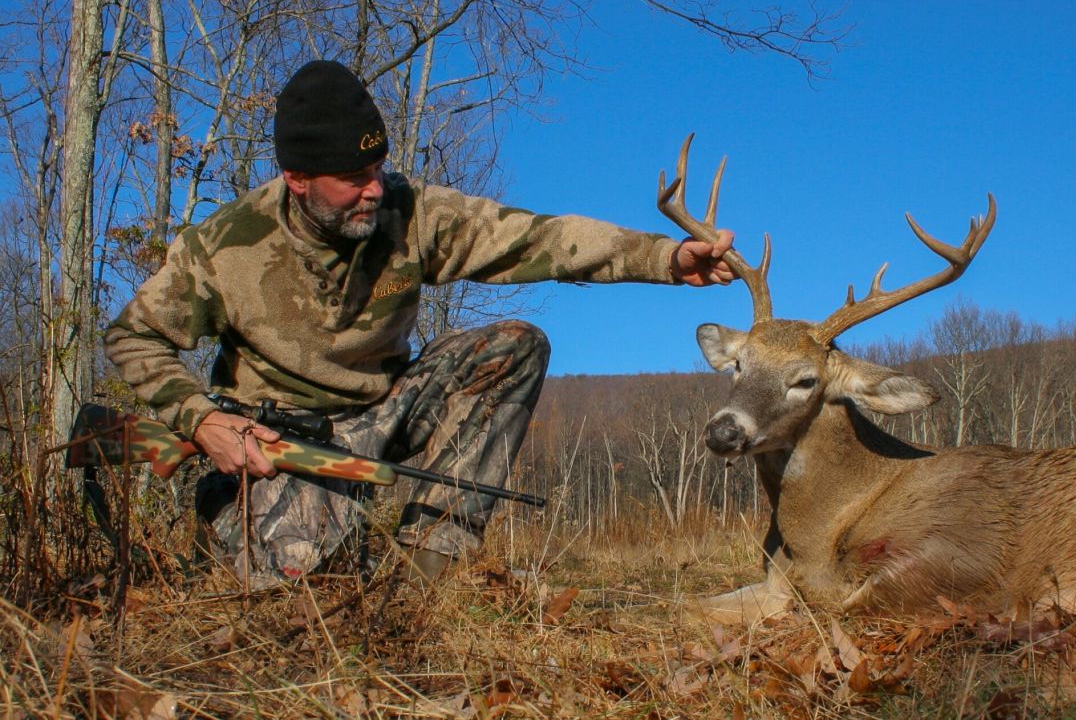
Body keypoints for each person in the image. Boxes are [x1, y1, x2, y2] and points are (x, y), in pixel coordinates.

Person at [103, 60, 733, 587]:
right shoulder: (221, 246)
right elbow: (133, 335)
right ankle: (270, 543)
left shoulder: (411, 211)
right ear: (296, 179)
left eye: (377, 169)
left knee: (514, 346)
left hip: (388, 408)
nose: (374, 190)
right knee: (297, 587)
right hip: (280, 442)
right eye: (352, 179)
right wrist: (204, 421)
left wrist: (667, 258)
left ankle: (430, 577)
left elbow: (535, 238)